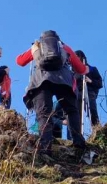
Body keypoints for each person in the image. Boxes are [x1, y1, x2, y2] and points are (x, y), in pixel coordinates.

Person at [16, 30, 90, 160]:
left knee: (44, 113)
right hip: (64, 80)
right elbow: (80, 69)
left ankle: (45, 148)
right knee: (72, 111)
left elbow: (20, 61)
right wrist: (86, 69)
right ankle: (78, 143)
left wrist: (34, 50)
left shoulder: (37, 46)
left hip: (41, 80)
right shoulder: (64, 47)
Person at [74, 50, 103, 128]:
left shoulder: (92, 69)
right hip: (77, 94)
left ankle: (97, 130)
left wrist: (90, 81)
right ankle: (77, 134)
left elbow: (100, 83)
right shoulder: (73, 72)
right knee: (76, 115)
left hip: (89, 92)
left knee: (92, 112)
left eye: (78, 57)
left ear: (82, 57)